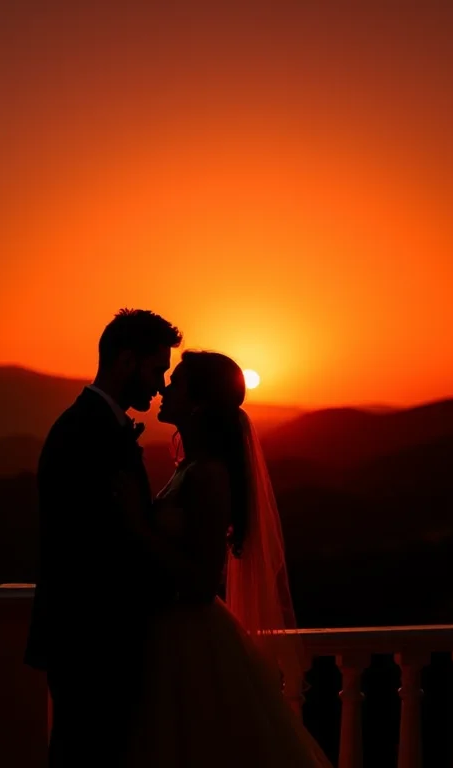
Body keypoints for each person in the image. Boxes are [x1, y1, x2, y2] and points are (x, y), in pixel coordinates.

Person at [114, 350, 333, 768]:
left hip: (190, 638)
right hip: (166, 632)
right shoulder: (187, 467)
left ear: (197, 402)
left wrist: (139, 528)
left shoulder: (209, 474)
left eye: (174, 382)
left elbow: (200, 582)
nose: (163, 388)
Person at [24, 308, 183, 767]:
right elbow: (93, 546)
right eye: (157, 370)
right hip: (91, 640)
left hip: (97, 639)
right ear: (126, 361)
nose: (159, 386)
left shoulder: (96, 425)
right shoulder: (84, 432)